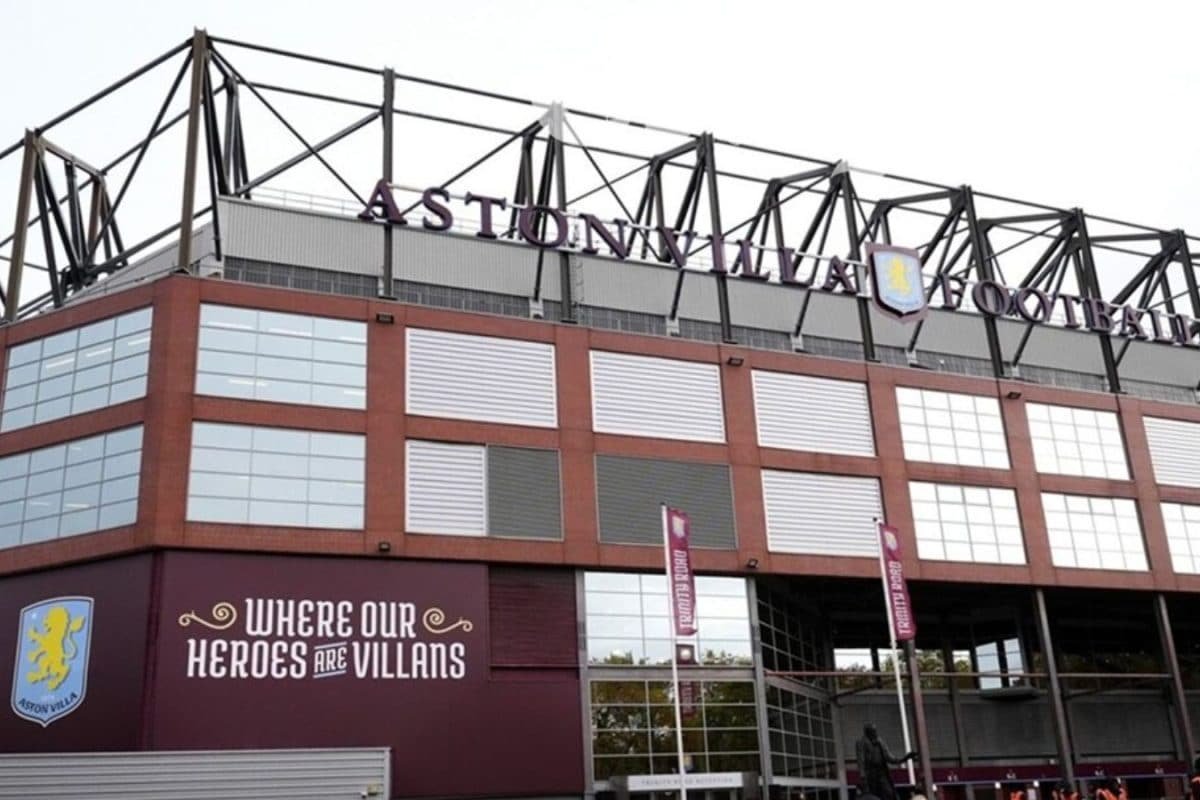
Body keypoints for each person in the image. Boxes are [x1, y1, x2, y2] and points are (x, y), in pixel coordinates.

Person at [855, 722, 917, 800]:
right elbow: (861, 761)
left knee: (889, 793)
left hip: (882, 772)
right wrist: (862, 776)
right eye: (873, 731)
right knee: (873, 796)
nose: (875, 733)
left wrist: (905, 758)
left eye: (875, 731)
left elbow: (890, 758)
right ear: (867, 732)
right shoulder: (861, 742)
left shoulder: (880, 741)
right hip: (870, 774)